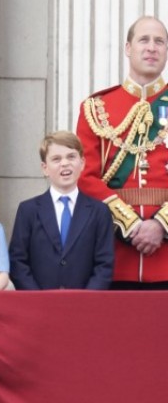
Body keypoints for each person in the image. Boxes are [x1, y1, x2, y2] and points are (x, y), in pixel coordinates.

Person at [76, 16, 168, 289]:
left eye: (159, 42)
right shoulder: (96, 107)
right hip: (114, 257)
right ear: (128, 48)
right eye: (144, 40)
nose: (152, 47)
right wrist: (132, 225)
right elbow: (85, 177)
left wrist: (161, 225)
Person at [9, 132, 114, 290]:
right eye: (56, 159)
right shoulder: (28, 210)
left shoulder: (99, 211)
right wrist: (37, 298)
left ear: (82, 163)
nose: (65, 163)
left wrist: (87, 299)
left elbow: (104, 264)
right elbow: (17, 261)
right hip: (39, 304)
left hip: (84, 305)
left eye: (71, 157)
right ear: (45, 168)